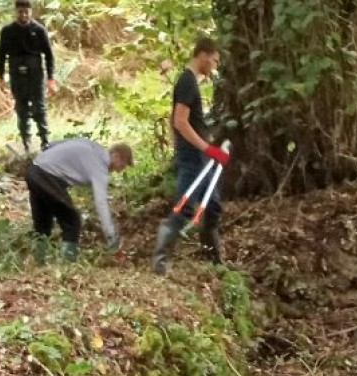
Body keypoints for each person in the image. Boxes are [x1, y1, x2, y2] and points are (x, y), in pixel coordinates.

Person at [152, 37, 230, 275]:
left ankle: (214, 262)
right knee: (186, 207)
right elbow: (180, 121)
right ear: (204, 55)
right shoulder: (187, 81)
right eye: (215, 60)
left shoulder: (190, 83)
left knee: (213, 206)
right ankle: (161, 262)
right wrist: (206, 149)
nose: (215, 66)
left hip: (200, 157)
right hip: (194, 157)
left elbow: (174, 119)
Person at [25, 138, 134, 262]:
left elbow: (53, 144)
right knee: (72, 220)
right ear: (115, 156)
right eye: (123, 164)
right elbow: (101, 202)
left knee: (43, 223)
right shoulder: (99, 167)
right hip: (47, 176)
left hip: (34, 170)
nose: (120, 170)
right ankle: (67, 265)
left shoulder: (93, 147)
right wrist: (111, 237)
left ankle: (39, 262)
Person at [0, 0, 58, 153]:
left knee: (39, 107)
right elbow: (1, 54)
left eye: (26, 12)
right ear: (15, 12)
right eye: (20, 12)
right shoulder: (7, 31)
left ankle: (45, 141)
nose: (23, 15)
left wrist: (51, 78)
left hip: (36, 72)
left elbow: (49, 55)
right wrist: (1, 76)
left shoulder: (39, 30)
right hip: (16, 72)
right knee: (21, 108)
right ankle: (26, 141)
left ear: (31, 12)